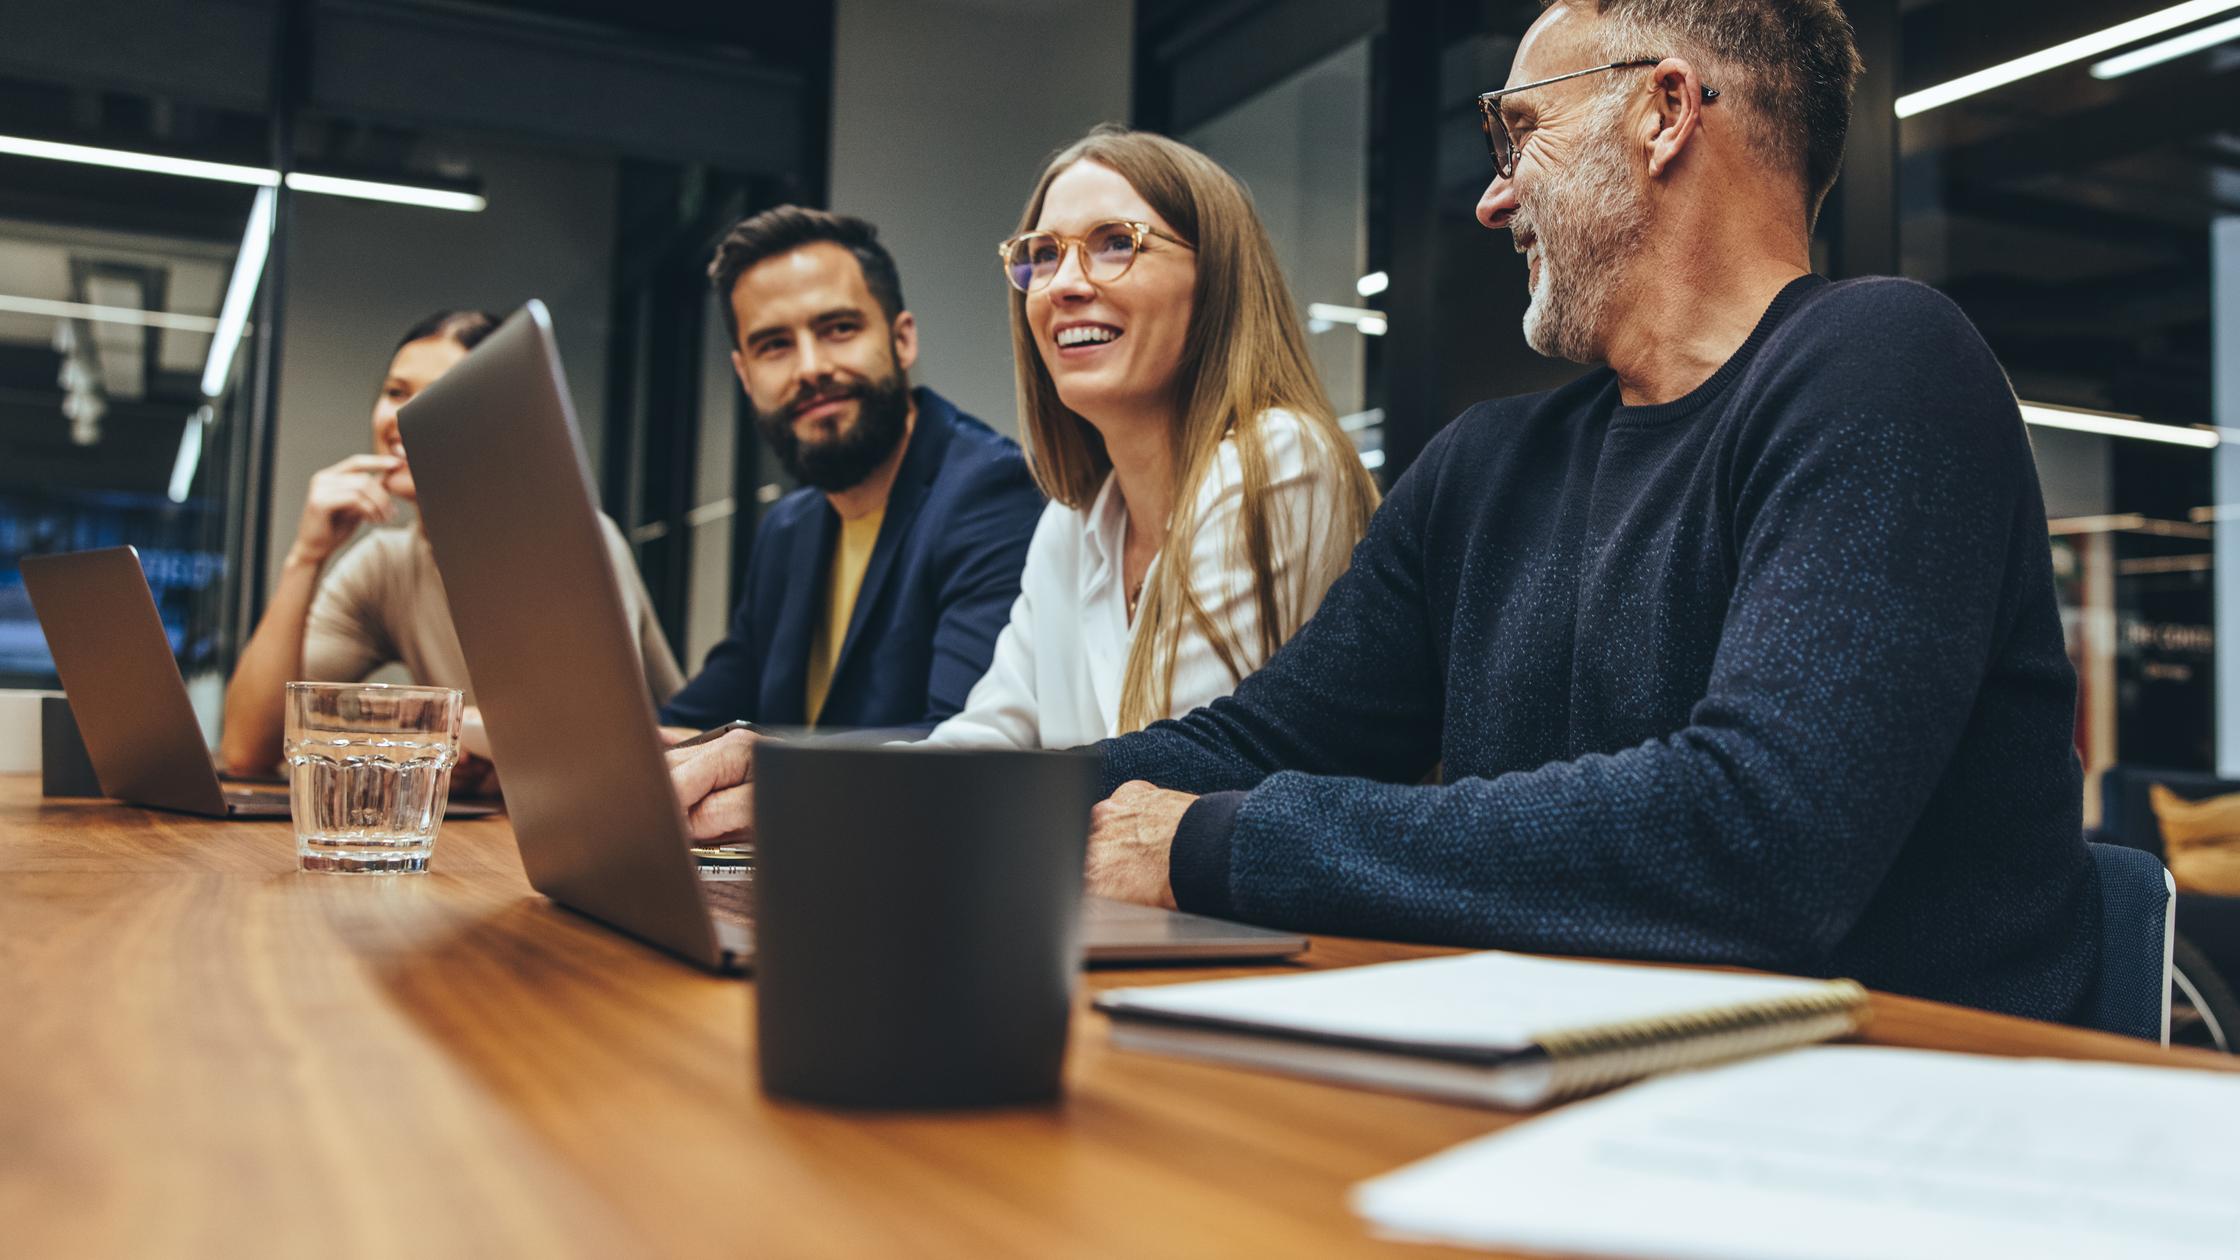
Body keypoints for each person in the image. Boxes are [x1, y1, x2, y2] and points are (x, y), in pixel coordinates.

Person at [1078, 0, 2099, 1024]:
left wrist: (1220, 844)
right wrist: (976, 802)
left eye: (1517, 133)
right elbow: (1263, 743)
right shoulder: (1483, 468)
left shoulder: (1886, 365)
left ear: (1662, 111)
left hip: (1888, 1114)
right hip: (1568, 1076)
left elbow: (1757, 837)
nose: (1490, 198)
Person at [923, 127, 1379, 750]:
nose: (1063, 285)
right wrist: (809, 787)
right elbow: (989, 736)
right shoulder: (1074, 523)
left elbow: (1166, 778)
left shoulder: (1279, 461)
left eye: (1115, 244)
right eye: (1045, 254)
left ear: (1217, 280)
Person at [220, 311, 682, 787]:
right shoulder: (385, 564)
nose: (402, 418)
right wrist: (305, 557)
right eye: (396, 392)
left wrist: (425, 729)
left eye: (436, 397)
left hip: (646, 822)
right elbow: (247, 749)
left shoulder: (577, 540)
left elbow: (582, 747)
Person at [655, 207, 1043, 747]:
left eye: (838, 328)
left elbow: (960, 743)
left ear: (902, 339)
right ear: (744, 375)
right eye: (775, 345)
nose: (810, 367)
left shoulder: (992, 493)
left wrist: (760, 771)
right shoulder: (788, 527)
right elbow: (699, 717)